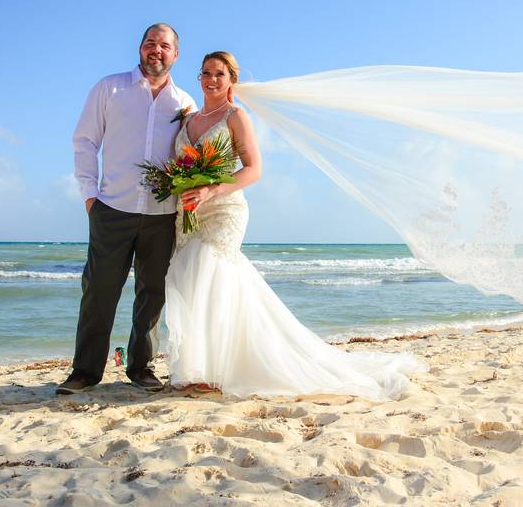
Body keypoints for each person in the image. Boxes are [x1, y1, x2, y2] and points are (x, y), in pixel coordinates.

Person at [165, 51, 425, 399]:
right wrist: (182, 187)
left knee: (210, 275)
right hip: (190, 212)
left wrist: (212, 189)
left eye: (220, 74)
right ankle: (202, 368)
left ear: (232, 81)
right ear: (199, 77)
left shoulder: (235, 116)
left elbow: (253, 169)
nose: (212, 79)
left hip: (224, 210)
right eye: (206, 73)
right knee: (192, 281)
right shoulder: (187, 121)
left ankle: (216, 371)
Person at [58, 23, 197, 395]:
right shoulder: (110, 88)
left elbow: (190, 156)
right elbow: (85, 140)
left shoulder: (184, 102)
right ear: (140, 48)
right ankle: (85, 371)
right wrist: (90, 195)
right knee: (99, 290)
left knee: (152, 293)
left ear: (175, 54)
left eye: (164, 45)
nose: (157, 50)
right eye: (150, 43)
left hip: (163, 212)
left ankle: (141, 367)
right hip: (112, 207)